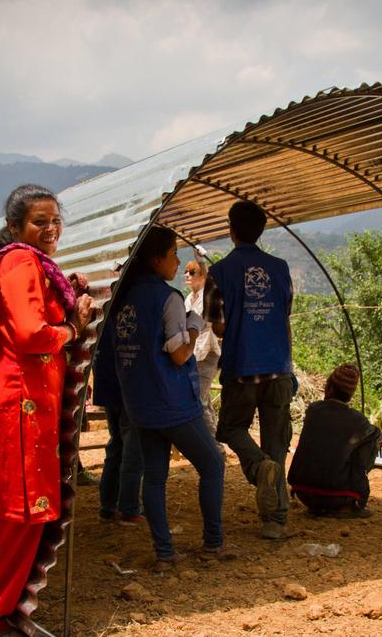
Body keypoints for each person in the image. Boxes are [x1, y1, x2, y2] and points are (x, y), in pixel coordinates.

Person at [0, 184, 94, 637]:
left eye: (56, 220)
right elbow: (32, 333)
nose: (51, 228)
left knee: (22, 518)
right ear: (16, 227)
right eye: (40, 221)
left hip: (29, 408)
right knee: (11, 519)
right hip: (20, 410)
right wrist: (71, 328)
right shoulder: (19, 261)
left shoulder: (32, 264)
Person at [112, 225, 233, 570]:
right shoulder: (169, 298)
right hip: (173, 402)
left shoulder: (123, 297)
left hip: (139, 402)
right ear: (155, 258)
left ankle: (165, 553)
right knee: (212, 464)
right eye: (174, 254)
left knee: (154, 476)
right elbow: (180, 355)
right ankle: (214, 542)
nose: (178, 262)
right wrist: (195, 325)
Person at [206, 200, 294, 540]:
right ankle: (276, 521)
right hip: (278, 367)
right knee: (277, 441)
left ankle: (259, 467)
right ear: (261, 230)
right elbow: (284, 315)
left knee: (230, 428)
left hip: (242, 367)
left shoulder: (220, 271)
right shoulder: (281, 268)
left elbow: (221, 328)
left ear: (231, 229)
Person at [287, 364, 382, 518]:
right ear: (350, 395)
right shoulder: (357, 419)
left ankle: (322, 504)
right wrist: (379, 439)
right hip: (337, 498)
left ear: (329, 388)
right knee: (372, 441)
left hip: (303, 493)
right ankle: (353, 500)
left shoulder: (313, 410)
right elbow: (376, 434)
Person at [93, 315, 145, 526]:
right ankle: (129, 508)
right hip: (128, 388)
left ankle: (107, 507)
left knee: (116, 446)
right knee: (133, 450)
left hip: (107, 387)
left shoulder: (104, 310)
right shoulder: (133, 308)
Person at [183, 257, 221, 434]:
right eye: (186, 272)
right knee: (200, 399)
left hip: (207, 351)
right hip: (192, 352)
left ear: (203, 276)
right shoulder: (189, 298)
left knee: (199, 399)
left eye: (192, 272)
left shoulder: (208, 296)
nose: (187, 275)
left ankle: (213, 446)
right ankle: (212, 439)